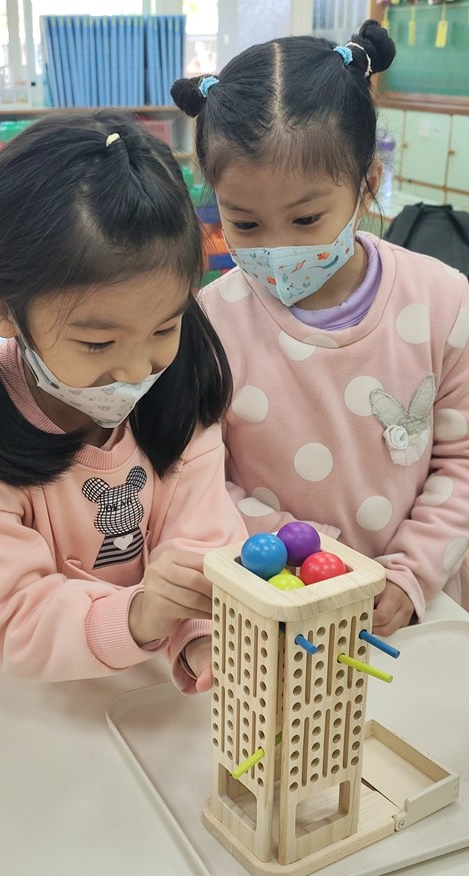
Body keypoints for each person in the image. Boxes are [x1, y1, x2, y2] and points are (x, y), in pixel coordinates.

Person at [0, 111, 245, 690]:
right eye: (97, 343)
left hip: (136, 661)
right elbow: (17, 620)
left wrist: (202, 635)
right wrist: (139, 615)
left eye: (165, 327)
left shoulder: (177, 395)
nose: (137, 369)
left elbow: (202, 543)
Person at [171, 19, 469, 636]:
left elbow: (462, 461)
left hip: (414, 609)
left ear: (367, 185)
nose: (278, 248)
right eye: (245, 224)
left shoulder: (443, 301)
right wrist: (311, 558)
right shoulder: (209, 323)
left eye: (306, 219)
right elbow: (196, 477)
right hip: (274, 609)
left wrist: (410, 573)